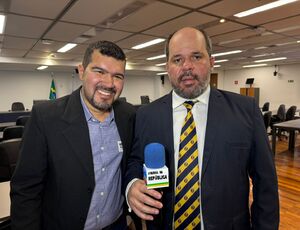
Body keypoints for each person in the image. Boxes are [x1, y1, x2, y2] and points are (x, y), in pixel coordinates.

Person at [125, 27, 279, 229]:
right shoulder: (147, 115)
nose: (187, 66)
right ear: (167, 66)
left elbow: (265, 182)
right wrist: (131, 186)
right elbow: (136, 160)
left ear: (212, 62)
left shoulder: (245, 110)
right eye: (177, 59)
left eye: (196, 56)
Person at [10, 41, 136, 230]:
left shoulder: (129, 115)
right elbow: (26, 190)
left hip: (116, 225)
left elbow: (131, 164)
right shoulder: (45, 117)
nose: (109, 83)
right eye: (99, 71)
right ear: (81, 71)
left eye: (117, 76)